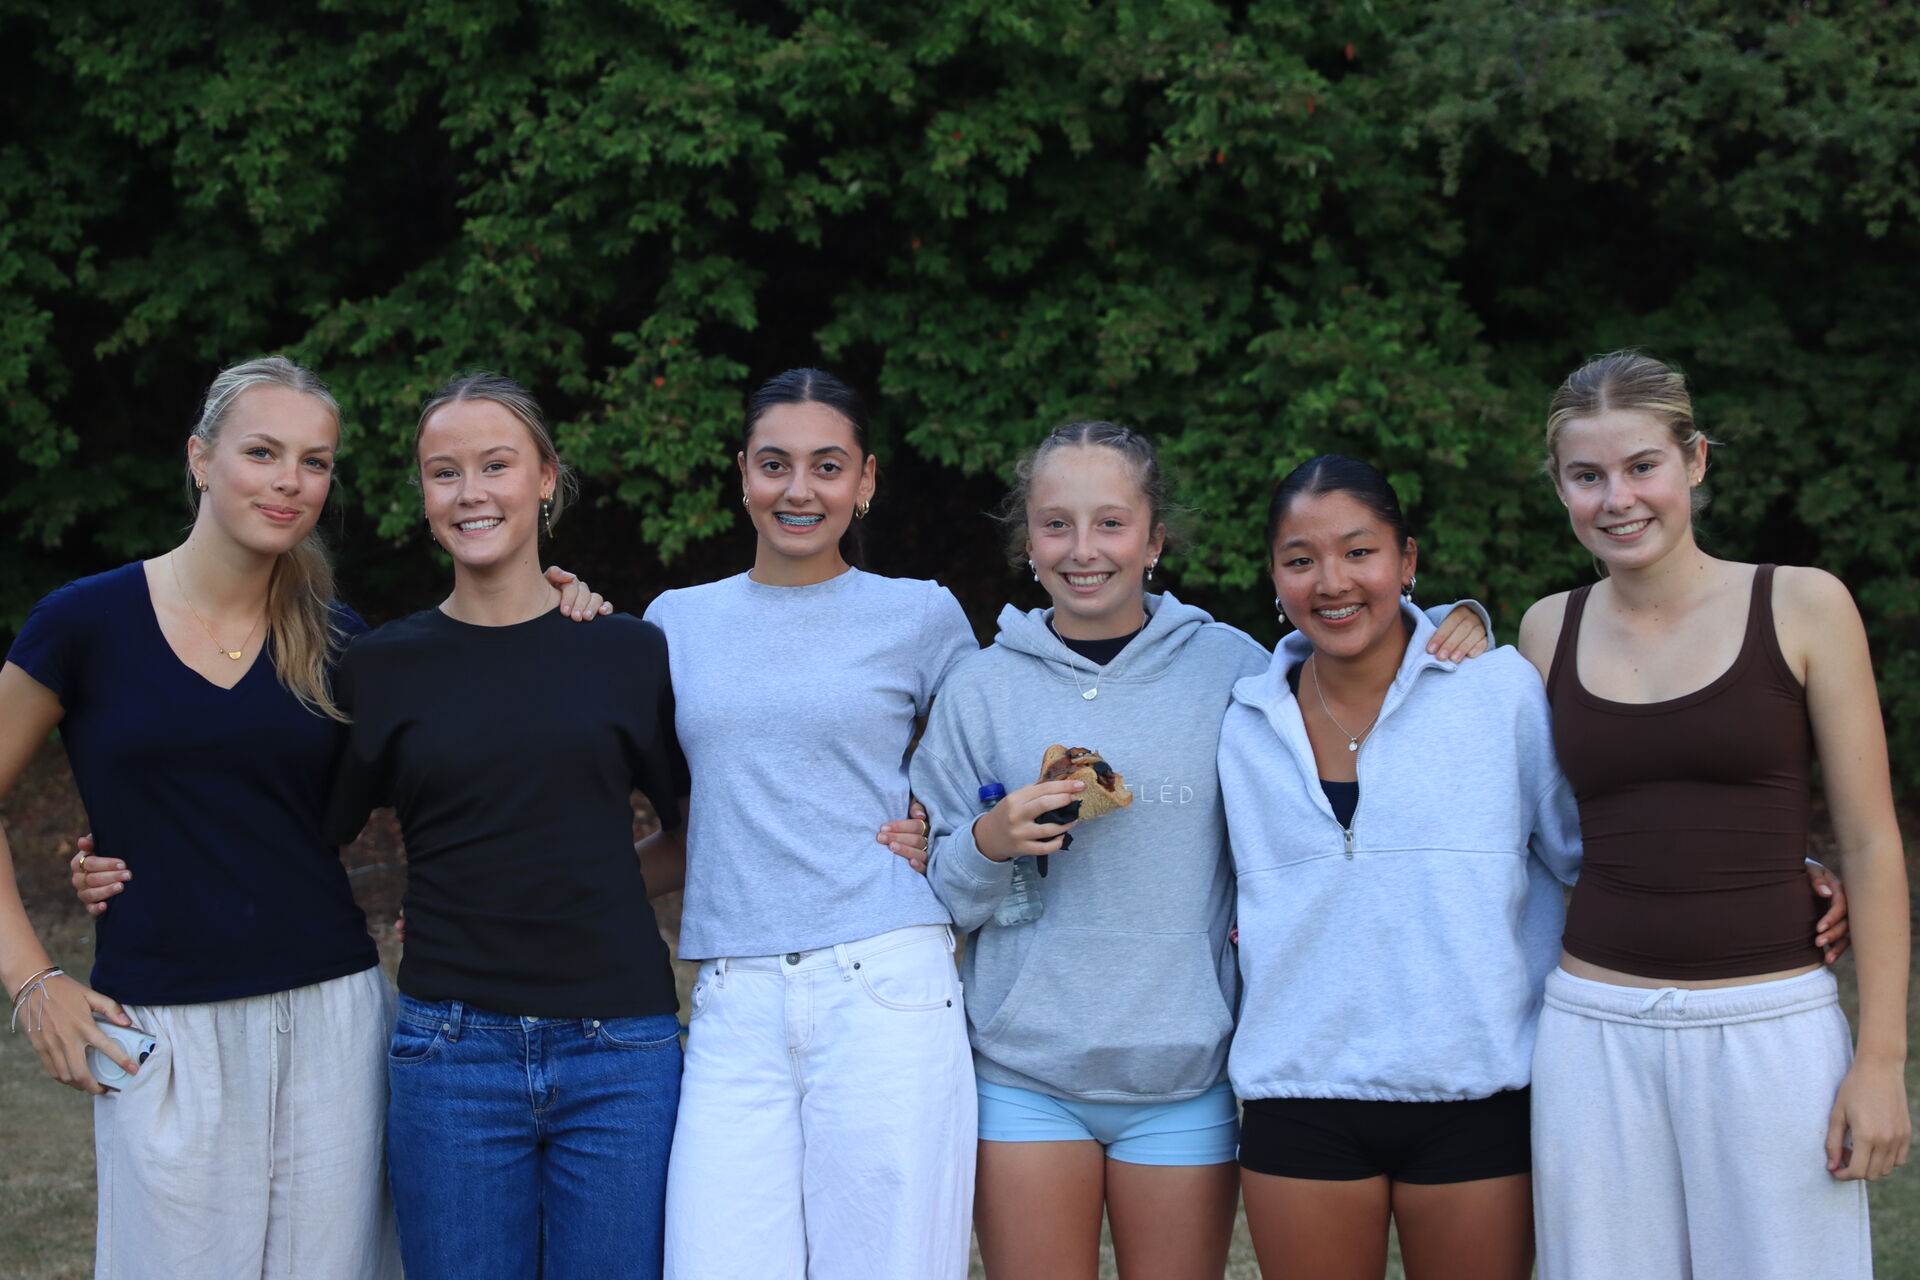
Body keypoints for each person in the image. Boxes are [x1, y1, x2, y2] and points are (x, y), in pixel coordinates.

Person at [907, 427, 1488, 1280]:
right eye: (1056, 524)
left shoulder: (1232, 671)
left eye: (1111, 523)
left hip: (1183, 1078)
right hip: (1021, 1074)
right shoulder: (978, 689)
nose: (1083, 549)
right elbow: (936, 900)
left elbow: (1357, 664)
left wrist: (1455, 621)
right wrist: (988, 845)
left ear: (1154, 540)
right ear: (1028, 540)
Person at [0, 356, 402, 1278]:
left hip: (334, 1022)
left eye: (314, 462)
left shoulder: (341, 639)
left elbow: (468, 765)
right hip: (165, 1028)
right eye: (262, 452)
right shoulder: (84, 622)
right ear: (199, 458)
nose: (290, 480)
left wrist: (557, 604)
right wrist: (32, 980)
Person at [1518, 352, 1909, 1279]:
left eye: (1642, 466)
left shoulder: (1803, 604)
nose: (1618, 499)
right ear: (1561, 487)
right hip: (1593, 1033)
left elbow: (1869, 841)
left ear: (1694, 461)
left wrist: (1882, 1062)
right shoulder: (1544, 630)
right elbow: (1526, 834)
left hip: (1771, 1030)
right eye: (1588, 476)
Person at [307, 372, 688, 1280]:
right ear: (423, 495)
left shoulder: (627, 650)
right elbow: (306, 832)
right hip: (451, 1054)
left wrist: (575, 888)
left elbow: (697, 833)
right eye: (445, 472)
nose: (470, 492)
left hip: (621, 1052)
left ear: (546, 477)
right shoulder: (382, 666)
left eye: (496, 465)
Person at [643, 367, 978, 1280]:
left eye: (828, 467)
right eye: (775, 464)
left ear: (865, 480)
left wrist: (944, 829)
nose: (799, 490)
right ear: (742, 474)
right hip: (733, 994)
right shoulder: (675, 623)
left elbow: (988, 762)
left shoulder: (920, 613)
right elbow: (685, 819)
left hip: (885, 985)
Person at [1221, 455, 1575, 1280]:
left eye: (1359, 552)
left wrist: (1775, 874)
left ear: (1407, 560)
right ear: (1274, 575)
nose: (1332, 581)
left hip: (1474, 1092)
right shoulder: (1241, 723)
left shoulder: (1499, 692)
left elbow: (1589, 849)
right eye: (1300, 559)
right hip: (1297, 1093)